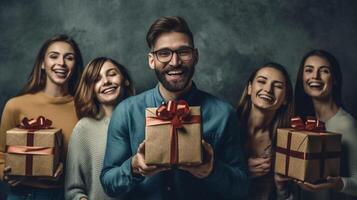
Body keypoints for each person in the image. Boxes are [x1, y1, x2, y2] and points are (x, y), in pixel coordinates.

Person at [100, 16, 249, 200]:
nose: (175, 61)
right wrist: (134, 167)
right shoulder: (126, 112)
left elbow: (242, 189)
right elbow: (108, 184)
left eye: (183, 52)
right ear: (151, 60)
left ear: (195, 56)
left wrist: (212, 170)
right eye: (164, 53)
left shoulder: (224, 115)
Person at [0, 34, 83, 199]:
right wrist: (6, 173)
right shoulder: (16, 106)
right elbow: (0, 153)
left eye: (69, 58)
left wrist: (65, 169)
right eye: (54, 56)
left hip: (67, 195)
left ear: (75, 65)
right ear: (43, 64)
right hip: (24, 195)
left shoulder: (84, 108)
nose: (61, 63)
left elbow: (90, 157)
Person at [65, 57, 134, 200]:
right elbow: (73, 191)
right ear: (91, 89)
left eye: (112, 74)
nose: (106, 81)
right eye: (96, 79)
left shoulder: (144, 121)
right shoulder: (84, 128)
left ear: (125, 79)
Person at [294, 49, 357, 199]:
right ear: (302, 77)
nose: (315, 76)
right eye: (309, 70)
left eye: (324, 71)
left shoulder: (346, 124)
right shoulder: (299, 122)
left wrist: (338, 184)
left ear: (334, 79)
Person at [236, 63, 294, 200]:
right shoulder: (226, 126)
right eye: (262, 81)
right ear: (250, 88)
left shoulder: (289, 143)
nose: (268, 89)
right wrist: (241, 172)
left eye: (278, 86)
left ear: (285, 99)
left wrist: (282, 187)